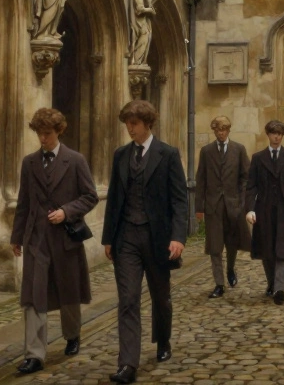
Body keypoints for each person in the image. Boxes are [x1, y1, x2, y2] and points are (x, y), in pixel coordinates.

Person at [101, 101, 189, 384]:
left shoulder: (168, 154)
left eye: (134, 124)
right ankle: (128, 363)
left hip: (157, 239)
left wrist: (178, 237)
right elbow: (114, 198)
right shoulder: (121, 155)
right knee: (127, 300)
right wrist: (108, 238)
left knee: (160, 297)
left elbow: (179, 199)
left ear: (147, 123)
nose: (129, 128)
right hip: (126, 237)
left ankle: (163, 341)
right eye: (127, 123)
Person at [11, 108, 99, 375]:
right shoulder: (29, 163)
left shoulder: (75, 160)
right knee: (33, 297)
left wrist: (66, 211)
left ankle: (72, 334)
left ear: (59, 131)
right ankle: (34, 354)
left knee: (68, 292)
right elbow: (23, 203)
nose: (42, 139)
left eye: (47, 134)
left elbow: (90, 196)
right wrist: (17, 237)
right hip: (36, 239)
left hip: (65, 240)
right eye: (39, 133)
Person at [246, 120, 284, 305]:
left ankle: (280, 288)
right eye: (273, 133)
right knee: (267, 251)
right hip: (264, 211)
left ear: (283, 135)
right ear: (268, 135)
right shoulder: (258, 158)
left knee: (283, 250)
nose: (276, 137)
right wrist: (249, 209)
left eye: (280, 133)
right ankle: (272, 283)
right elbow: (251, 186)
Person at [193, 115, 252, 299]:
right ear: (214, 131)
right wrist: (199, 207)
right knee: (215, 246)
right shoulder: (206, 151)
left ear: (228, 131)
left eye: (224, 130)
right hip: (213, 206)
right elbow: (201, 178)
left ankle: (231, 269)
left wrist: (242, 201)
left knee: (232, 243)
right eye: (218, 130)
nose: (221, 133)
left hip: (233, 205)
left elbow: (246, 177)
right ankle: (219, 284)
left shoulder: (239, 150)